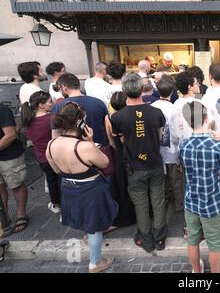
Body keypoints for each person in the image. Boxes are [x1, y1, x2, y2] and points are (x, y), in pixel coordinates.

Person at [46, 102, 117, 273]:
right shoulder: (84, 147)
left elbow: (56, 169)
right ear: (80, 123)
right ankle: (95, 263)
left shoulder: (51, 144)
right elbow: (105, 162)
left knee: (88, 223)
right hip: (90, 190)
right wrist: (91, 141)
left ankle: (91, 242)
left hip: (69, 187)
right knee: (94, 227)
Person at [110, 73, 167, 253]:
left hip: (135, 165)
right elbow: (160, 137)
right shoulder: (157, 112)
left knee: (140, 204)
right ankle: (159, 237)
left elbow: (120, 139)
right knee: (158, 201)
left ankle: (146, 239)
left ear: (124, 91)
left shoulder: (117, 117)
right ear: (142, 89)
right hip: (155, 162)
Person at [179, 101, 220, 273]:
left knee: (193, 240)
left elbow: (185, 169)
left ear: (188, 122)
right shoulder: (219, 146)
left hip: (191, 201)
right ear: (206, 118)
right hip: (213, 202)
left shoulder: (183, 145)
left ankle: (197, 271)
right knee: (215, 245)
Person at [21, 91, 60, 214]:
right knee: (61, 180)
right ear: (40, 105)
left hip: (42, 158)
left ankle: (56, 204)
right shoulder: (52, 118)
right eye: (49, 102)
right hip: (56, 155)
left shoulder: (28, 122)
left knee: (51, 180)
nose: (52, 103)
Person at [104, 91, 136, 230]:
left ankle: (124, 214)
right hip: (132, 153)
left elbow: (110, 141)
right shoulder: (130, 116)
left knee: (122, 185)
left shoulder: (108, 118)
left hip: (118, 153)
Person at [152, 75, 184, 213]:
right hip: (172, 150)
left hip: (157, 151)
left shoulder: (151, 107)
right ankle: (179, 205)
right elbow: (178, 133)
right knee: (176, 181)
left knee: (161, 181)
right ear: (172, 92)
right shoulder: (175, 109)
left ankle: (163, 204)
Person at [52, 73, 109, 147]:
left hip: (74, 151)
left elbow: (55, 136)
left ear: (64, 88)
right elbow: (107, 126)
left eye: (60, 90)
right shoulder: (98, 102)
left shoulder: (58, 107)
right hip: (100, 147)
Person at [0, 104, 28, 234]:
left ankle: (21, 214)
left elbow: (10, 135)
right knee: (0, 187)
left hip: (9, 155)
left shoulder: (2, 109)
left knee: (16, 184)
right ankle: (4, 218)